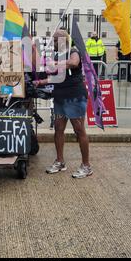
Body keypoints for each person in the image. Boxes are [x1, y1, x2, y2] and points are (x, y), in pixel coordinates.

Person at [34, 29, 93, 179]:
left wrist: (56, 63)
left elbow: (74, 63)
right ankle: (60, 161)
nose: (52, 43)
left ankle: (86, 166)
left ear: (62, 41)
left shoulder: (73, 51)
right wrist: (41, 82)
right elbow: (55, 78)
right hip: (60, 98)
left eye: (54, 40)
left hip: (75, 98)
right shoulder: (56, 55)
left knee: (79, 131)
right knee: (58, 129)